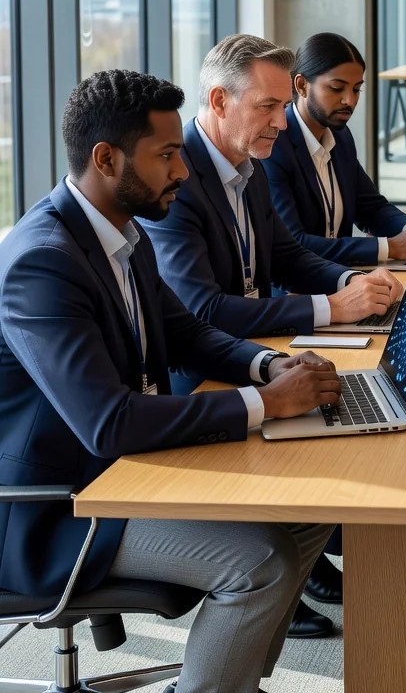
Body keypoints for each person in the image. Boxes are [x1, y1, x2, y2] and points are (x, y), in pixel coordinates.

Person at [0, 70, 343, 693]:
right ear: (106, 159)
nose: (183, 171)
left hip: (123, 474)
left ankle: (230, 681)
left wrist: (268, 367)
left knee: (307, 512)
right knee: (261, 561)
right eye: (166, 155)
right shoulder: (42, 264)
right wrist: (264, 404)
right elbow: (108, 423)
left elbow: (188, 333)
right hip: (57, 506)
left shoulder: (122, 232)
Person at [142, 34, 403, 635]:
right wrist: (330, 307)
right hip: (198, 380)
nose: (282, 124)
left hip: (249, 352)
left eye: (285, 107)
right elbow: (203, 309)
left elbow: (286, 256)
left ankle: (302, 563)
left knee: (361, 405)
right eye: (268, 107)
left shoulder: (245, 161)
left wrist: (357, 284)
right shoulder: (175, 175)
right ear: (218, 100)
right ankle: (285, 576)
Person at [264, 31, 406, 266]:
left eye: (356, 89)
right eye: (336, 88)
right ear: (301, 86)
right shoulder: (275, 146)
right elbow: (295, 243)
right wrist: (392, 246)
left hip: (342, 277)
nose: (349, 100)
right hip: (297, 292)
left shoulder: (340, 135)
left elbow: (370, 207)